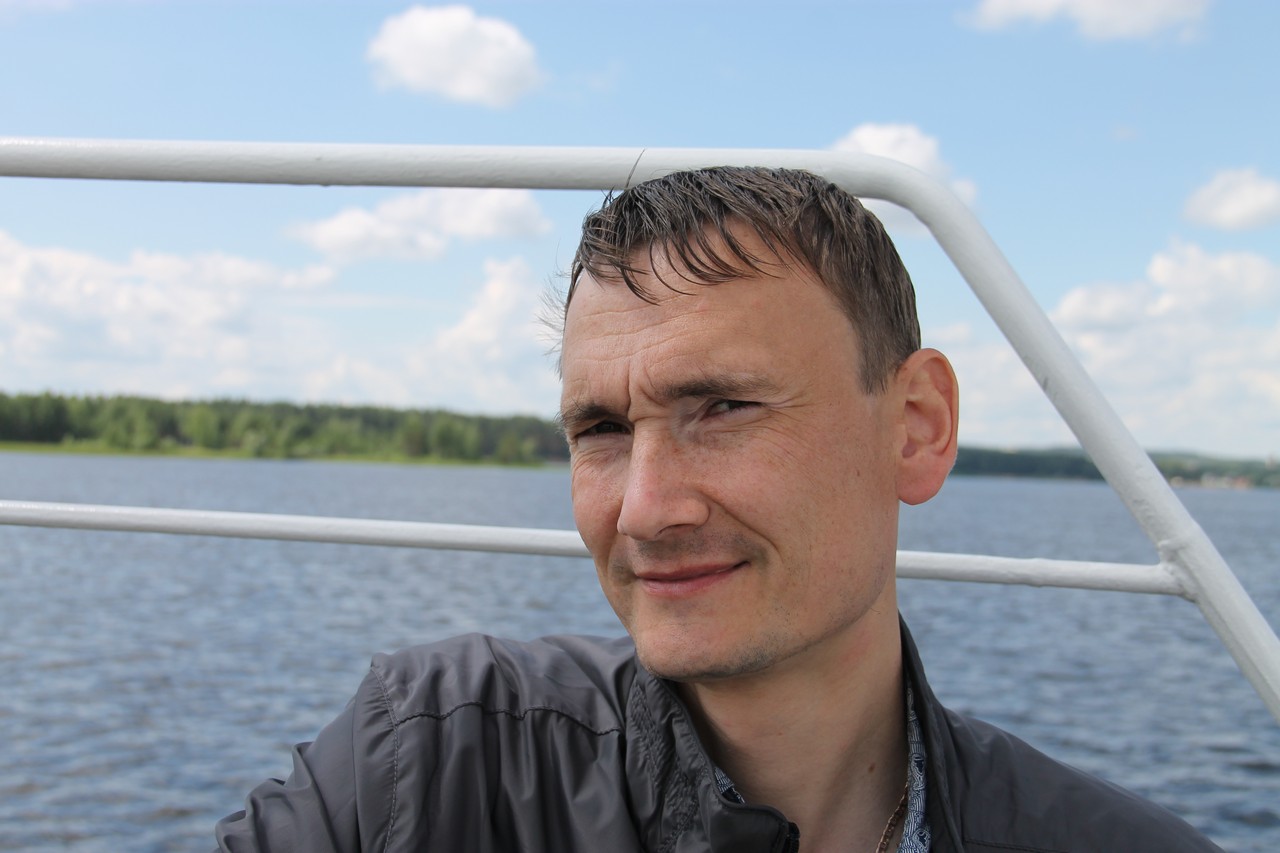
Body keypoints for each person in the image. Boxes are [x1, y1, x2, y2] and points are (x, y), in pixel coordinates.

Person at [215, 167, 1222, 852]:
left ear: (915, 427)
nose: (645, 510)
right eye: (601, 428)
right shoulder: (429, 761)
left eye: (724, 408)